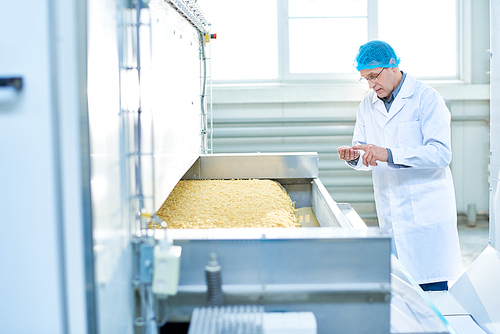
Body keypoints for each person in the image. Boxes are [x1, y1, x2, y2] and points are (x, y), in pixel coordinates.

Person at [337, 40, 462, 291]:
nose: (371, 85)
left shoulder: (427, 99)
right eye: (365, 79)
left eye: (374, 76)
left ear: (393, 66)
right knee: (402, 295)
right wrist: (353, 156)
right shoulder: (367, 105)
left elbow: (440, 154)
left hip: (426, 216)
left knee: (431, 294)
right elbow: (365, 153)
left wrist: (389, 154)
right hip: (391, 213)